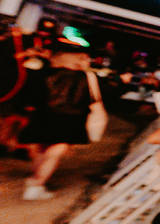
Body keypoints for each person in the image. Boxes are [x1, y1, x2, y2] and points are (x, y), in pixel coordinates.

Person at [17, 42, 104, 200]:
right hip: (70, 119)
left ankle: (34, 180)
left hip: (43, 115)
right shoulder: (85, 76)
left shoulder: (44, 73)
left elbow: (32, 96)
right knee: (56, 152)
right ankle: (36, 184)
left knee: (41, 150)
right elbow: (95, 100)